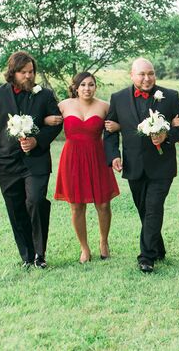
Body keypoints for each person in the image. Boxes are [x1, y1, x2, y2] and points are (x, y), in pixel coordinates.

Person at [103, 58, 179, 273]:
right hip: (133, 165)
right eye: (142, 74)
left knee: (153, 208)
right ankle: (158, 248)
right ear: (132, 75)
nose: (147, 78)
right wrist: (114, 155)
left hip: (162, 165)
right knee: (144, 210)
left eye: (150, 73)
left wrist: (166, 135)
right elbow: (110, 131)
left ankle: (146, 257)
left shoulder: (169, 96)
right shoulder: (118, 98)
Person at [0, 51, 62, 268]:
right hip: (6, 164)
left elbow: (56, 124)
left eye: (31, 72)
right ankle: (27, 256)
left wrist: (37, 141)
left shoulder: (44, 95)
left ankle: (40, 254)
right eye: (23, 72)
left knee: (36, 201)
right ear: (13, 73)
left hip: (36, 161)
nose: (29, 76)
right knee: (16, 208)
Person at [43, 72, 120, 264]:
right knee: (77, 206)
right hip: (73, 158)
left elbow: (118, 127)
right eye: (83, 85)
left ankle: (103, 242)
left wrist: (117, 126)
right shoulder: (63, 105)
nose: (87, 88)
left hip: (97, 157)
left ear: (95, 87)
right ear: (76, 88)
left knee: (103, 204)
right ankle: (84, 248)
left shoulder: (104, 106)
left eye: (91, 84)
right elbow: (43, 120)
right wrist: (45, 120)